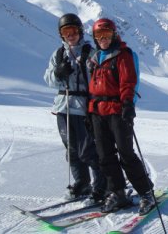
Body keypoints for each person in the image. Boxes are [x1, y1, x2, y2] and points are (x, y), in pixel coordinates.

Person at [87, 18, 155, 215]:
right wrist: (89, 111)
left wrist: (128, 105)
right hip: (98, 111)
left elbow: (128, 82)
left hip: (117, 110)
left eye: (106, 35)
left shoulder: (123, 55)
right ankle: (117, 192)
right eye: (99, 36)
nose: (103, 39)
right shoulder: (95, 57)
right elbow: (93, 87)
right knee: (105, 155)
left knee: (126, 154)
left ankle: (146, 193)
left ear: (114, 34)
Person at [44, 13, 105, 199]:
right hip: (63, 107)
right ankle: (82, 183)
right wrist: (58, 73)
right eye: (65, 31)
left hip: (83, 108)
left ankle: (101, 186)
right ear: (61, 34)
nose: (70, 35)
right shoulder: (58, 54)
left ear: (80, 31)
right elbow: (48, 80)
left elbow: (100, 79)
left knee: (88, 149)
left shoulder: (90, 53)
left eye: (73, 30)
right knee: (71, 149)